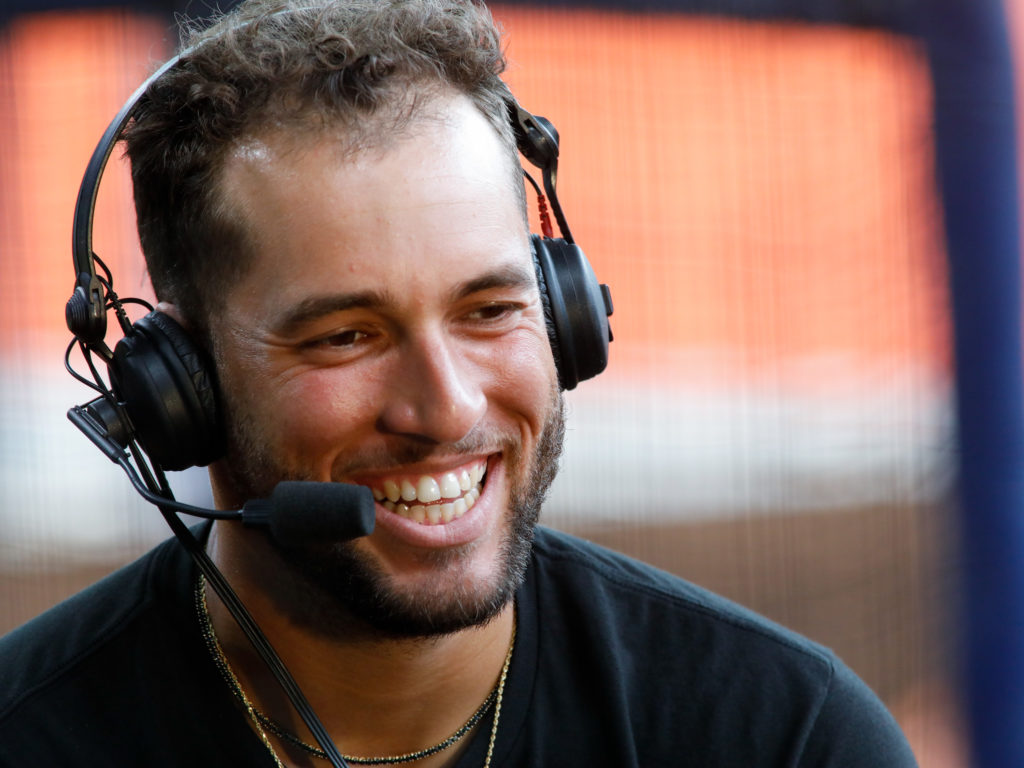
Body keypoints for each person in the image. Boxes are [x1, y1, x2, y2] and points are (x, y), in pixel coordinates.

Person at [0, 1, 918, 765]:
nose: (447, 408)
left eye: (490, 311)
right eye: (345, 335)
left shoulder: (785, 738)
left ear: (566, 319)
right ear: (178, 390)